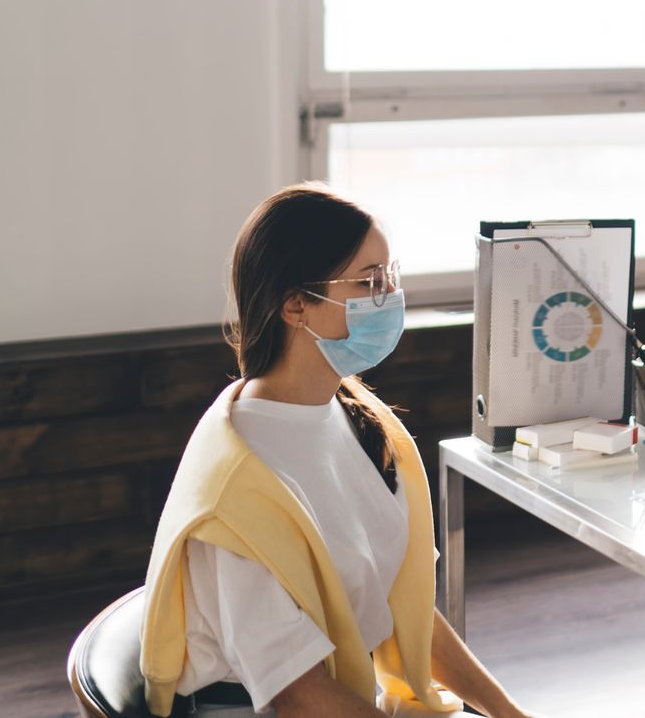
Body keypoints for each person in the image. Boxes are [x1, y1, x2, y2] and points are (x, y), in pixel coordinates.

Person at [139, 184, 535, 717]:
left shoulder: (352, 415)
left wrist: (511, 713)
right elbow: (298, 695)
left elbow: (403, 604)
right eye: (370, 282)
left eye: (390, 276)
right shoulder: (236, 491)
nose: (390, 296)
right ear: (295, 304)